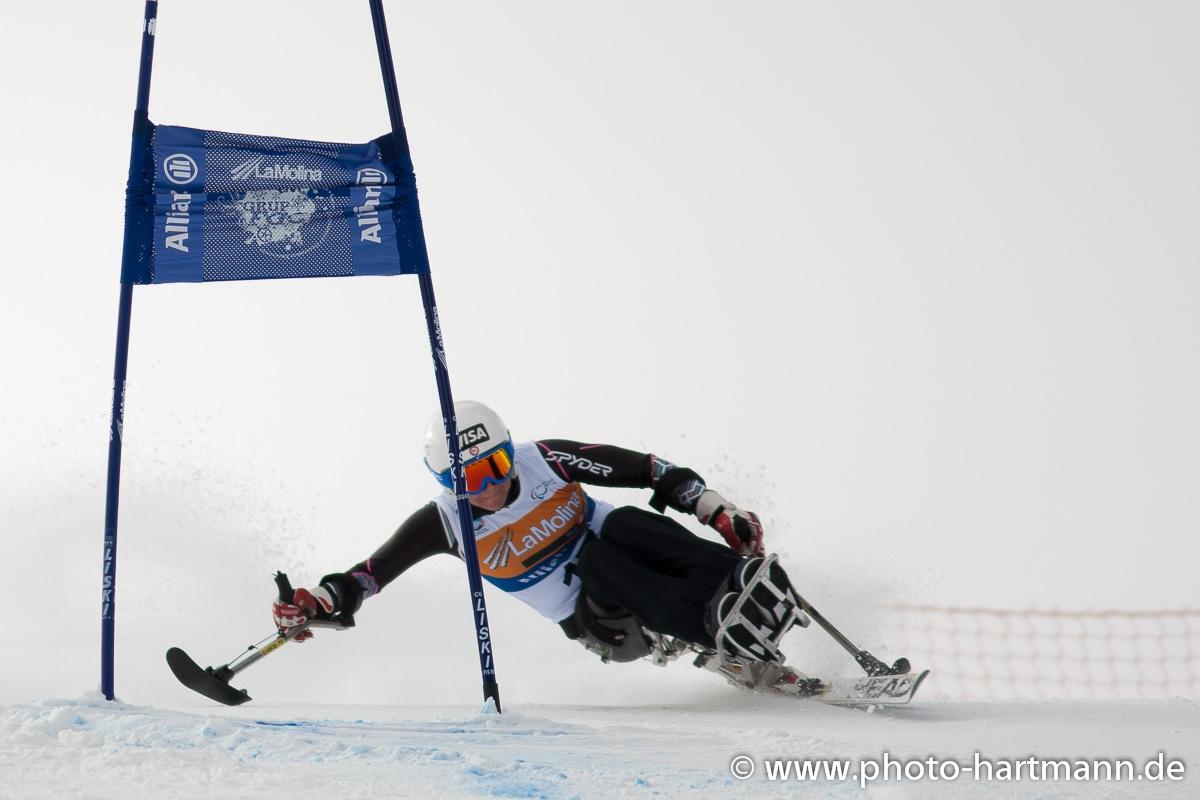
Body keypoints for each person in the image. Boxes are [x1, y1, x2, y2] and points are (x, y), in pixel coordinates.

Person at [272, 401, 805, 676]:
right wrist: (320, 602)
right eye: (467, 481)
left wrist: (714, 508)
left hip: (635, 549)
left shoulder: (544, 458)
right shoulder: (444, 523)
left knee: (619, 525)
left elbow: (646, 469)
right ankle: (714, 629)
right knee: (599, 561)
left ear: (509, 448)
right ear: (445, 486)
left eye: (497, 465)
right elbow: (367, 577)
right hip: (601, 618)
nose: (491, 487)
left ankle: (734, 583)